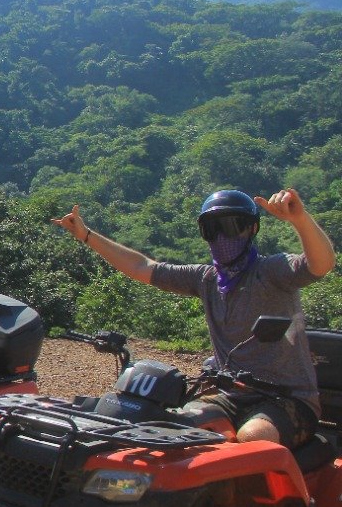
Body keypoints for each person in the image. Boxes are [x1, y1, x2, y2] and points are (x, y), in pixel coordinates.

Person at [52, 188, 336, 447]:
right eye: (212, 229)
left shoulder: (272, 272)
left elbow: (321, 264)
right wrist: (86, 235)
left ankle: (273, 504)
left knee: (253, 437)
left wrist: (299, 219)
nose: (222, 237)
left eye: (231, 226)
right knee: (176, 429)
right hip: (231, 395)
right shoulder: (206, 279)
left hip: (288, 399)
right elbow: (142, 266)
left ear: (252, 229)